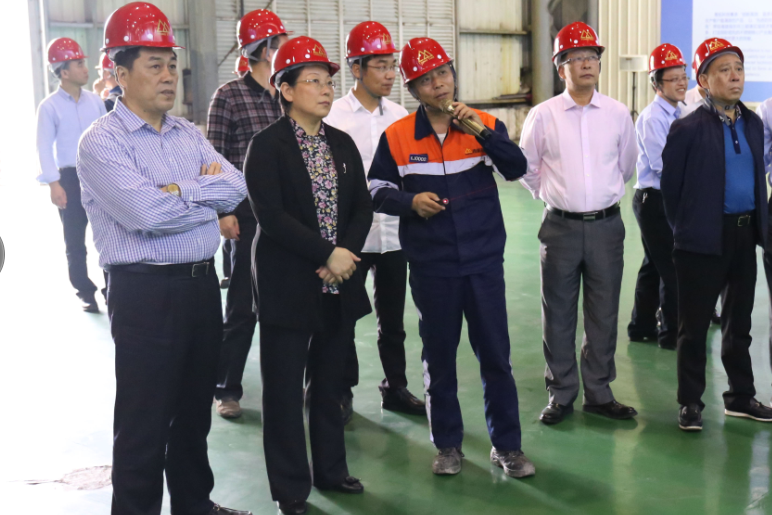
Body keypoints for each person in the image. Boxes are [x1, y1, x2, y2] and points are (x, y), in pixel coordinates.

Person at [76, 3, 250, 514]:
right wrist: (200, 196)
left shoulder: (187, 134)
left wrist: (179, 189)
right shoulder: (101, 143)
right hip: (144, 293)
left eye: (172, 64)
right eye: (155, 65)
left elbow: (237, 186)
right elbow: (145, 214)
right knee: (144, 422)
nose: (169, 75)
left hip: (200, 287)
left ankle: (194, 505)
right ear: (119, 73)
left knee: (193, 413)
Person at [368, 37, 535, 479]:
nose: (439, 84)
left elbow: (517, 168)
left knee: (495, 357)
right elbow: (376, 189)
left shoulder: (484, 125)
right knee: (439, 359)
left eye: (443, 73)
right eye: (426, 80)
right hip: (432, 267)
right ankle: (447, 445)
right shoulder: (397, 136)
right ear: (413, 89)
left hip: (483, 263)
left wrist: (479, 131)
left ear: (453, 75)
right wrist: (409, 202)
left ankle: (508, 447)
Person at [244, 36, 373, 515]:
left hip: (336, 282)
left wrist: (344, 254)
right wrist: (326, 253)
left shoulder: (341, 143)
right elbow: (272, 217)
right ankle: (290, 488)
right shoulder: (267, 146)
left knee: (329, 381)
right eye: (313, 81)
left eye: (327, 82)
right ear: (286, 90)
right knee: (283, 390)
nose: (324, 90)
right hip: (288, 282)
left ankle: (331, 471)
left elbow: (361, 207)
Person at [519, 22, 638, 426]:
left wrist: (598, 196)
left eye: (592, 57)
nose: (587, 64)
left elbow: (626, 166)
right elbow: (527, 167)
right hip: (560, 228)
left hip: (606, 226)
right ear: (561, 68)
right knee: (558, 314)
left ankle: (599, 393)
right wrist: (554, 196)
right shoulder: (543, 115)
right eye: (576, 58)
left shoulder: (617, 114)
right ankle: (561, 393)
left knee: (604, 313)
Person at [661, 38, 772, 431]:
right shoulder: (687, 127)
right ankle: (690, 402)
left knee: (738, 323)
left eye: (738, 69)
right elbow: (670, 191)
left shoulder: (753, 123)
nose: (734, 76)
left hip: (744, 235)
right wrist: (687, 231)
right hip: (702, 240)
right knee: (693, 328)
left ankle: (740, 397)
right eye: (724, 70)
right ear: (704, 81)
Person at [324, 21, 424, 422]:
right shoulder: (333, 115)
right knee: (343, 318)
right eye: (380, 66)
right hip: (351, 238)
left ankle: (395, 388)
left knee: (393, 320)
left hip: (395, 234)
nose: (389, 74)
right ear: (357, 68)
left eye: (392, 65)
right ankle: (342, 391)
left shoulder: (400, 116)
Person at [206, 9, 289, 418]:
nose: (284, 49)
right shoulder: (228, 96)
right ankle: (227, 389)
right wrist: (223, 212)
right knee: (242, 307)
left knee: (286, 305)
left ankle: (286, 385)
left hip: (288, 216)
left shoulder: (288, 93)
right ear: (262, 49)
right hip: (247, 214)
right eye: (278, 43)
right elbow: (213, 159)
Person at [36, 37, 106, 313]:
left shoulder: (95, 102)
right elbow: (43, 147)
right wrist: (54, 184)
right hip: (69, 179)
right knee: (75, 241)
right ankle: (85, 292)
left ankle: (112, 286)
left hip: (99, 176)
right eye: (79, 64)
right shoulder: (49, 107)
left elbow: (106, 138)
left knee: (108, 235)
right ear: (64, 72)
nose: (86, 68)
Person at [627, 44, 688, 350]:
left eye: (683, 76)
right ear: (656, 84)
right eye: (673, 78)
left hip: (665, 199)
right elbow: (662, 165)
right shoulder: (653, 118)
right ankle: (672, 335)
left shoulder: (681, 111)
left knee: (654, 264)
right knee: (672, 268)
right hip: (654, 201)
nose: (681, 83)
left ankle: (641, 327)